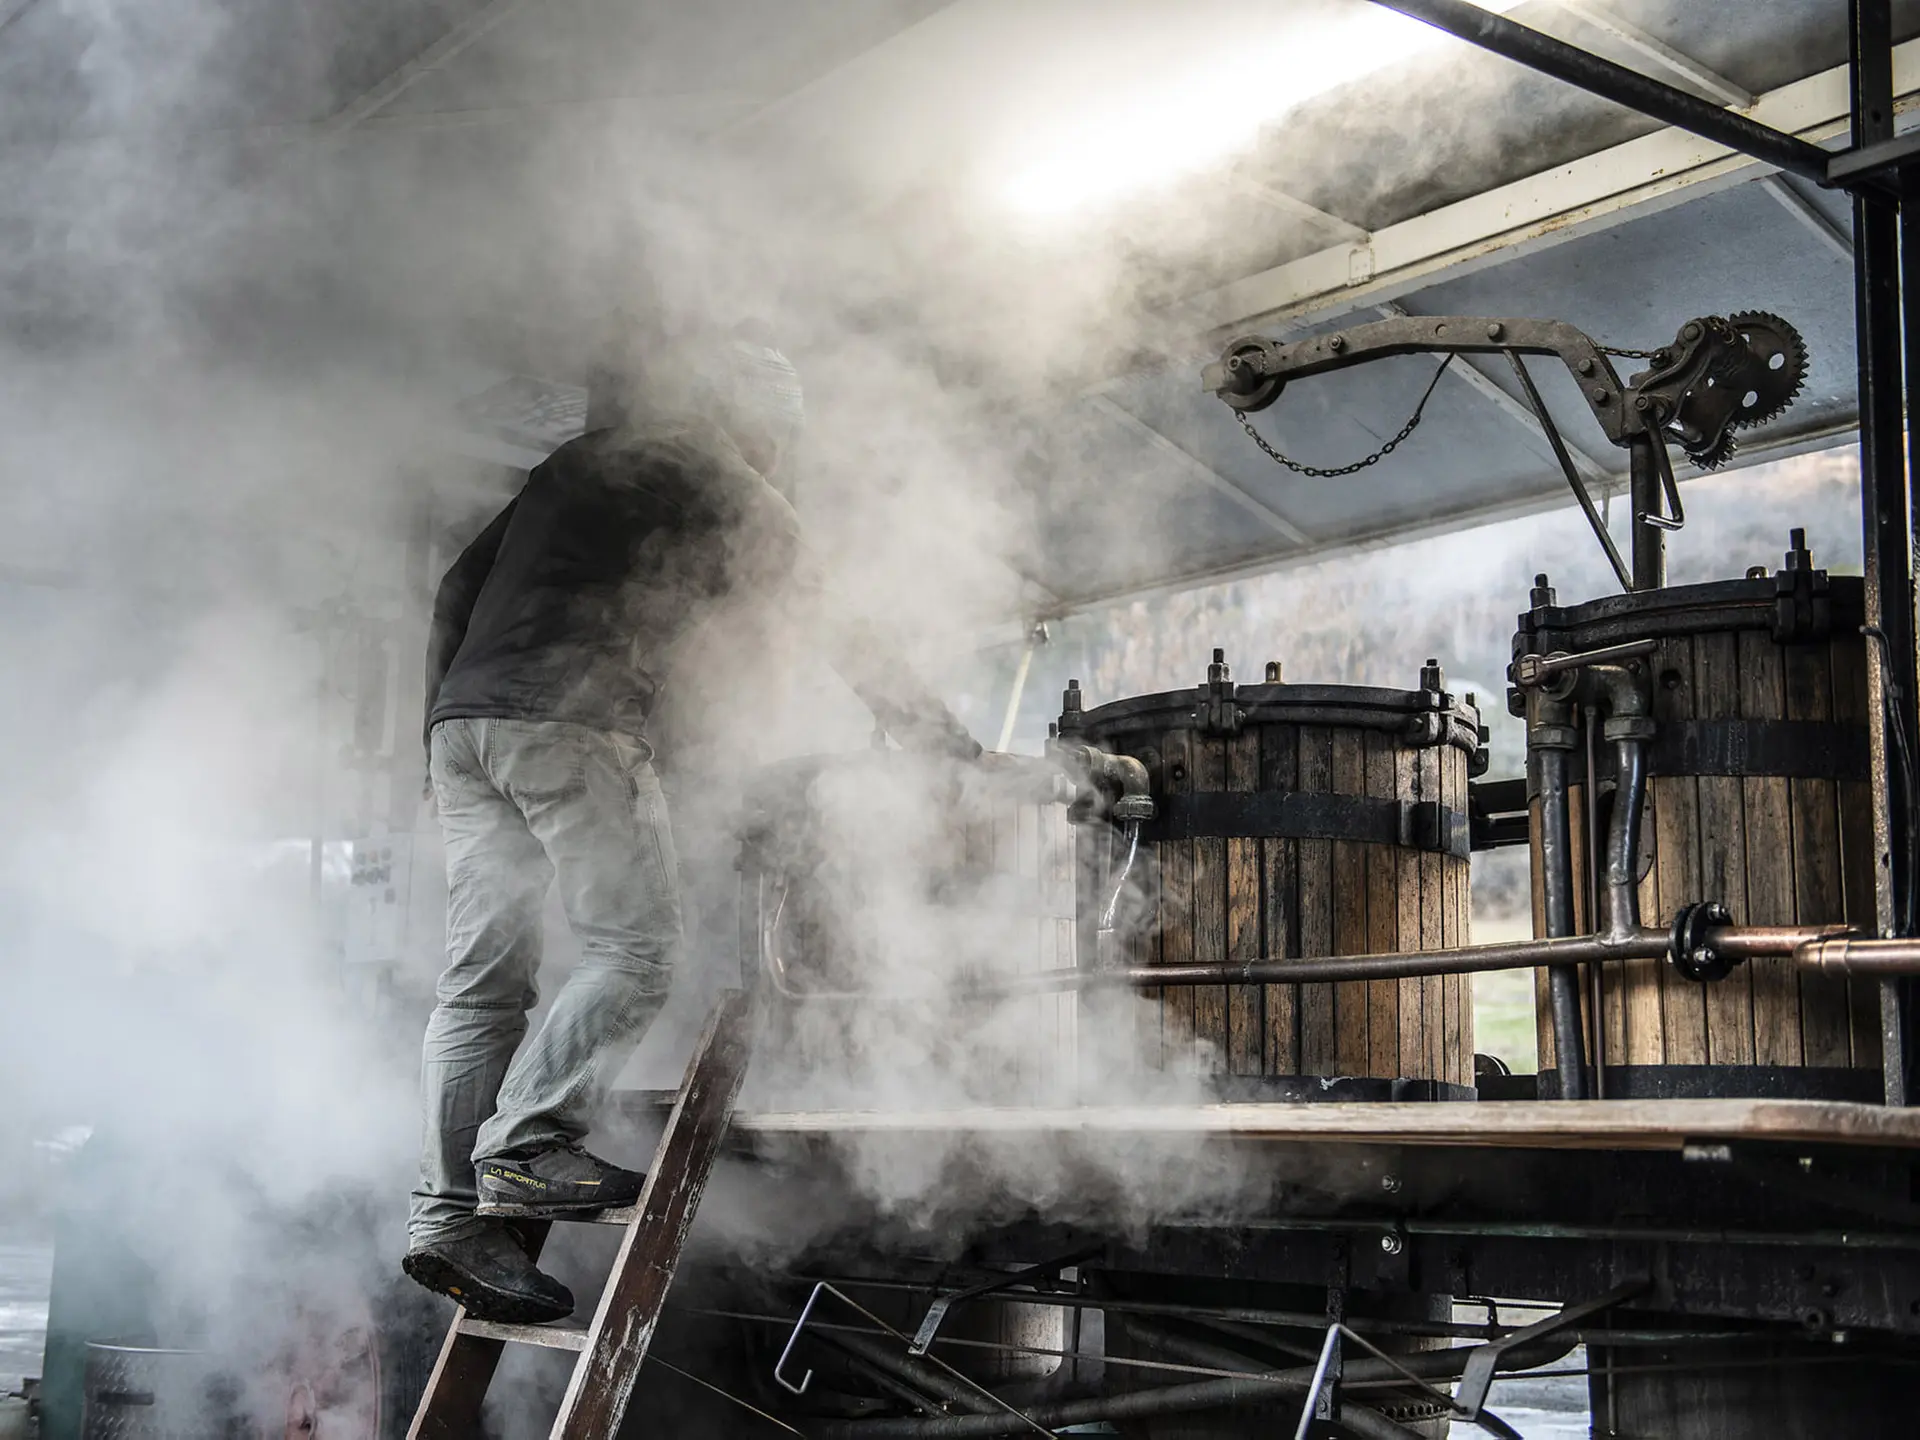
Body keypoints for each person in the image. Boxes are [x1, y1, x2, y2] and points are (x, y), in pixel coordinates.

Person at [402, 328, 979, 1322]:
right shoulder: (713, 464)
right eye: (775, 443)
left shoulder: (572, 467)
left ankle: (447, 1219)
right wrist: (933, 732)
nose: (774, 462)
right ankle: (529, 1146)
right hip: (569, 721)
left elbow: (457, 590)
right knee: (637, 948)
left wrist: (436, 730)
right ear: (755, 423)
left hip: (466, 731)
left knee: (481, 984)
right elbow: (829, 609)